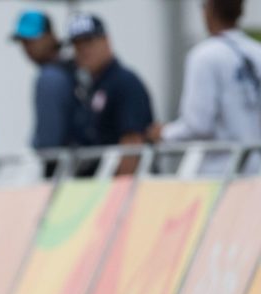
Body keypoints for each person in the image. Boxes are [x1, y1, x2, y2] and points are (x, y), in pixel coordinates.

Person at [147, 0, 261, 175]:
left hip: (221, 174)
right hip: (256, 171)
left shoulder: (204, 56)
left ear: (210, 9)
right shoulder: (256, 52)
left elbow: (198, 124)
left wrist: (164, 134)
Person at [67, 13, 154, 176]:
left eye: (89, 42)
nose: (83, 51)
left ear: (106, 41)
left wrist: (118, 195)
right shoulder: (92, 86)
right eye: (77, 45)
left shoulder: (124, 82)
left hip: (126, 190)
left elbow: (132, 145)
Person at [11, 9, 74, 150]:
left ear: (50, 36)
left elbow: (48, 141)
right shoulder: (71, 67)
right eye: (23, 42)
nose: (27, 47)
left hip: (65, 165)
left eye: (32, 40)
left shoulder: (50, 77)